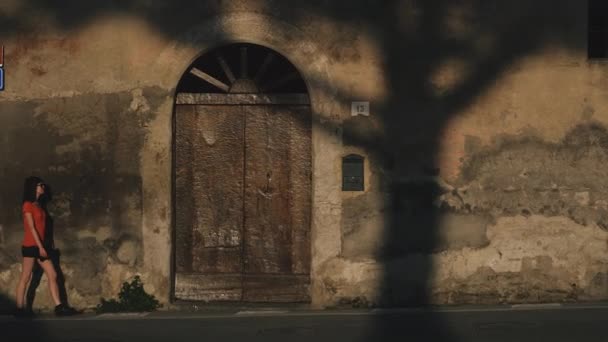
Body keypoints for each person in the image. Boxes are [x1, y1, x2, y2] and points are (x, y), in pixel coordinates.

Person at [14, 176, 76, 317]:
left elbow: (43, 228)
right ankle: (19, 309)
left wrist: (46, 245)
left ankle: (59, 307)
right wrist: (40, 247)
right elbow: (31, 228)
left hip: (42, 246)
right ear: (33, 187)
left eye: (42, 185)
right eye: (40, 185)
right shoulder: (27, 205)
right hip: (31, 245)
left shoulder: (39, 205)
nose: (43, 187)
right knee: (26, 276)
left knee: (52, 274)